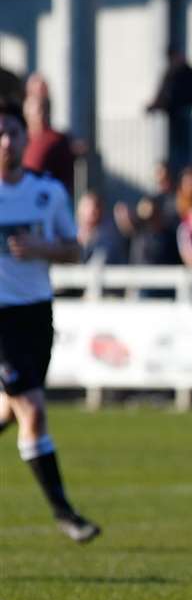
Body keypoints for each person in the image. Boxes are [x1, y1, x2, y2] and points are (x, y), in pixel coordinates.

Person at [0, 100, 99, 542]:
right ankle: (65, 513)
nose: (6, 141)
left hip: (37, 313)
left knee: (12, 406)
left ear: (26, 138)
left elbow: (74, 249)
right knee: (33, 407)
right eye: (0, 133)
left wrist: (39, 250)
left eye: (13, 133)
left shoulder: (47, 192)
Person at [147, 46, 192, 171]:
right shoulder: (173, 72)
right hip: (176, 120)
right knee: (178, 154)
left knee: (186, 154)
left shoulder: (186, 72)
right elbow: (164, 94)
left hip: (186, 120)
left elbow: (169, 94)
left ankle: (185, 179)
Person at [22, 89, 76, 195]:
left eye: (45, 109)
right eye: (39, 110)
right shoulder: (19, 137)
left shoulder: (57, 139)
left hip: (46, 197)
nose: (42, 114)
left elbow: (67, 175)